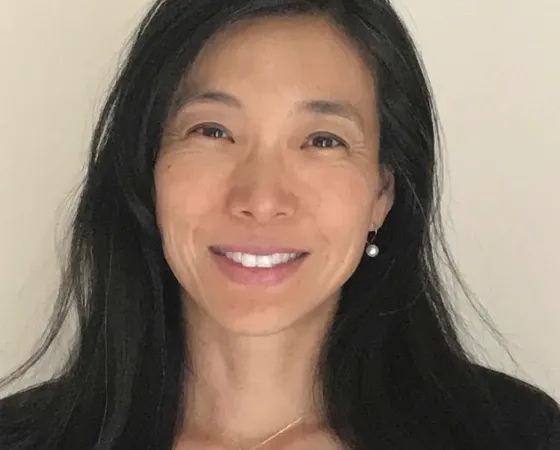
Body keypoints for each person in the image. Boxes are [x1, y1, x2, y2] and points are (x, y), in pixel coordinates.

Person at [1, 0, 559, 449]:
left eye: (323, 140)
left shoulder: (513, 435)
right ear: (146, 168)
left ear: (381, 194)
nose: (262, 200)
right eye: (212, 131)